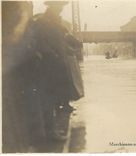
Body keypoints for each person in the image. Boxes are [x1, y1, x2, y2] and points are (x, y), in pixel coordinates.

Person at [31, 1, 74, 141]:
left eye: (62, 6)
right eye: (59, 6)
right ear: (51, 6)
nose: (61, 9)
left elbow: (59, 42)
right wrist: (53, 55)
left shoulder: (56, 22)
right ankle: (49, 133)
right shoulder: (43, 22)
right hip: (48, 65)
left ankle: (51, 131)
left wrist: (66, 50)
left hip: (57, 65)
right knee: (48, 98)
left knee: (55, 97)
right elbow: (40, 43)